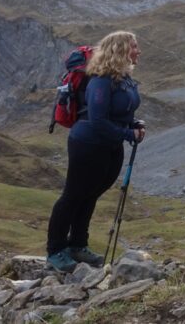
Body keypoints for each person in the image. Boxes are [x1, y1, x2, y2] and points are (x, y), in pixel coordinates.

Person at [45, 31, 146, 272]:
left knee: (90, 195)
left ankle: (78, 245)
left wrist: (133, 125)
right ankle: (56, 250)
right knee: (73, 196)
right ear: (120, 50)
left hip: (110, 145)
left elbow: (119, 113)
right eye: (134, 46)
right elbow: (97, 120)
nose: (138, 51)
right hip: (88, 145)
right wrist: (128, 134)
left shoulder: (123, 78)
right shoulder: (101, 80)